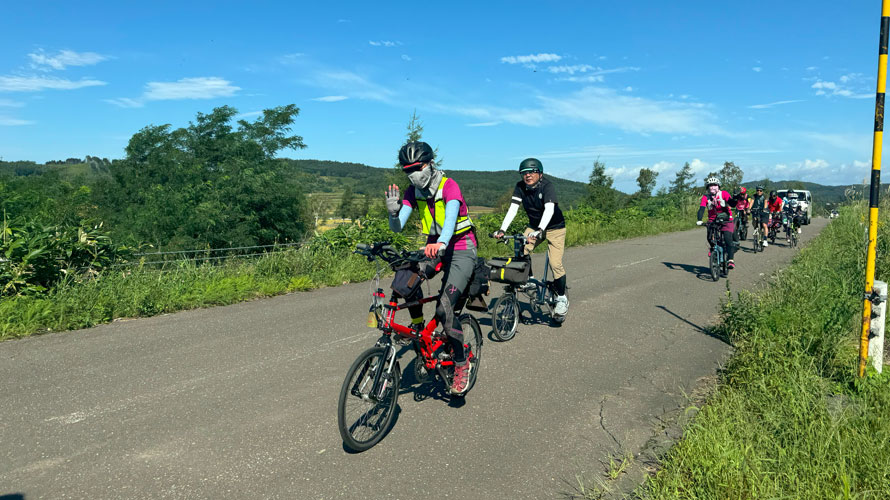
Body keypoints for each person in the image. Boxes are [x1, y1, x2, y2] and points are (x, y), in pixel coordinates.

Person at [384, 141, 476, 394]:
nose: (413, 174)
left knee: (445, 308)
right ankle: (418, 327)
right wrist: (393, 214)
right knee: (405, 279)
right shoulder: (412, 191)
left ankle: (461, 363)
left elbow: (450, 219)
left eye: (417, 167)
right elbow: (398, 226)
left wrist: (442, 243)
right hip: (433, 247)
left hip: (461, 248)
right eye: (407, 170)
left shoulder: (449, 185)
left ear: (430, 164)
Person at [494, 158, 569, 316]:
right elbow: (513, 209)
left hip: (555, 227)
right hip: (535, 226)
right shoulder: (520, 187)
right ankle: (531, 281)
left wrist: (541, 229)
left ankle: (562, 298)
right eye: (524, 173)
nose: (527, 175)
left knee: (555, 263)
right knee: (521, 249)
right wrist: (502, 229)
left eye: (531, 172)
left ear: (539, 173)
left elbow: (549, 209)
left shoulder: (547, 186)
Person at [696, 177, 736, 269]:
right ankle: (713, 249)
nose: (712, 187)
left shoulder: (723, 194)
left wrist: (735, 199)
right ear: (707, 187)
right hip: (712, 220)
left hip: (726, 219)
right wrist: (699, 219)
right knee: (710, 237)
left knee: (727, 239)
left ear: (718, 186)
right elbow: (701, 209)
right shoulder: (705, 197)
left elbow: (731, 203)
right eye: (710, 185)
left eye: (714, 185)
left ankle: (730, 260)